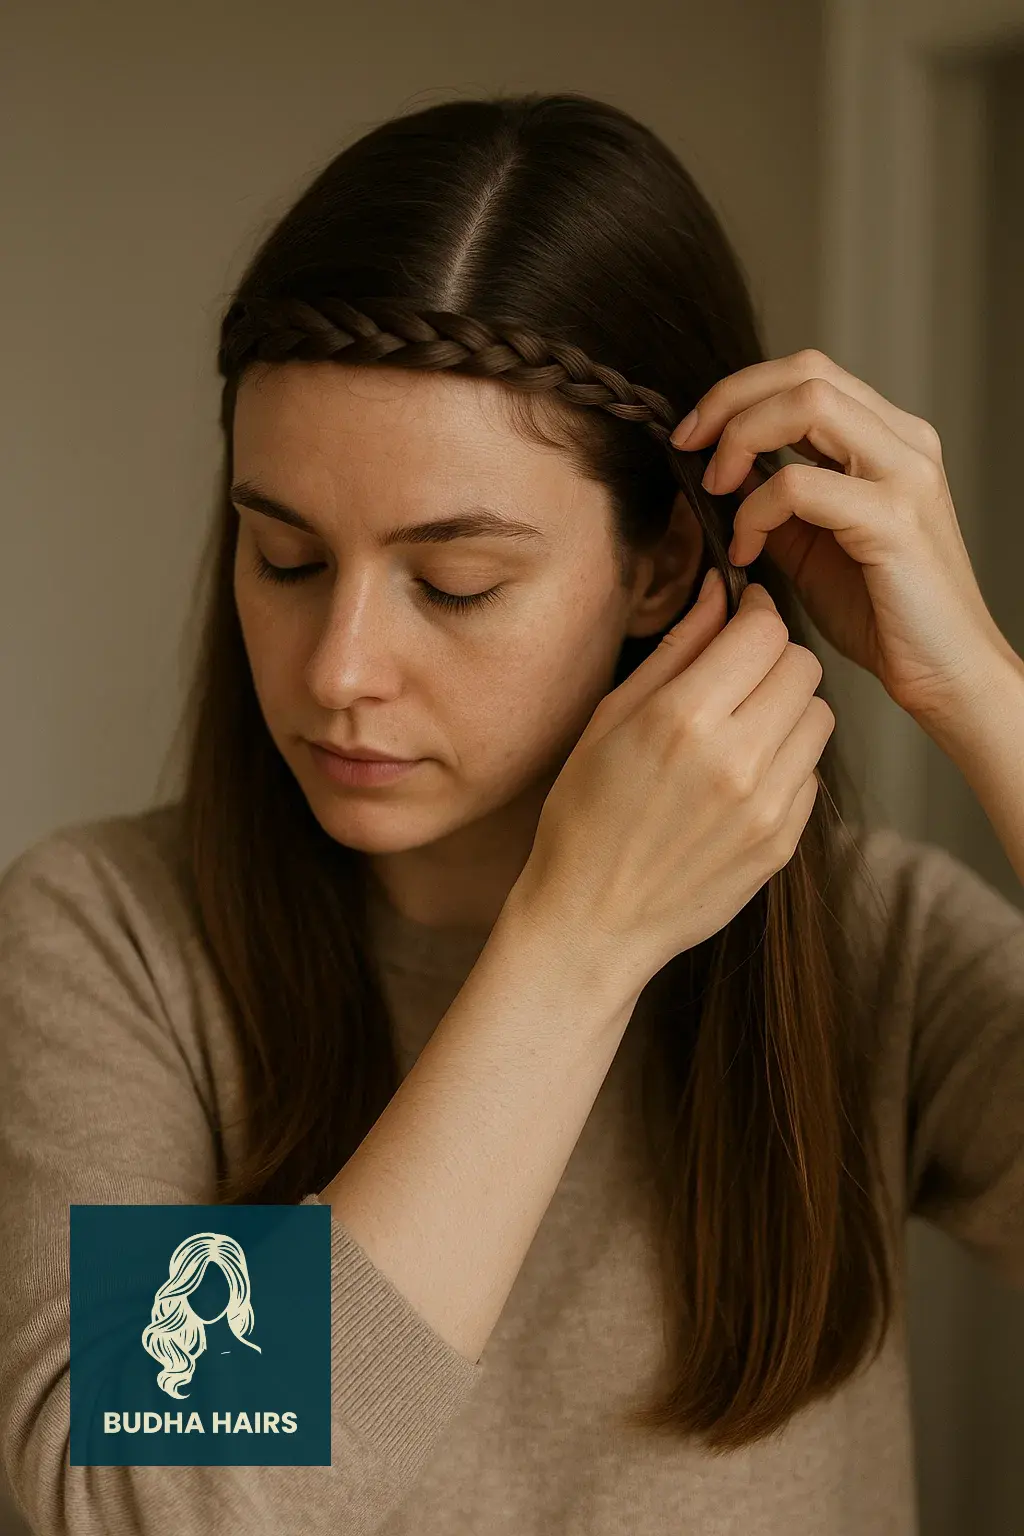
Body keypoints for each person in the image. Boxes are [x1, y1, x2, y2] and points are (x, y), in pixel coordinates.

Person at [1, 90, 1023, 1536]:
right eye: (285, 558)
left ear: (665, 565)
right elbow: (145, 1500)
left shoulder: (881, 953)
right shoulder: (109, 943)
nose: (339, 668)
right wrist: (575, 950)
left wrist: (985, 691)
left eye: (455, 583)